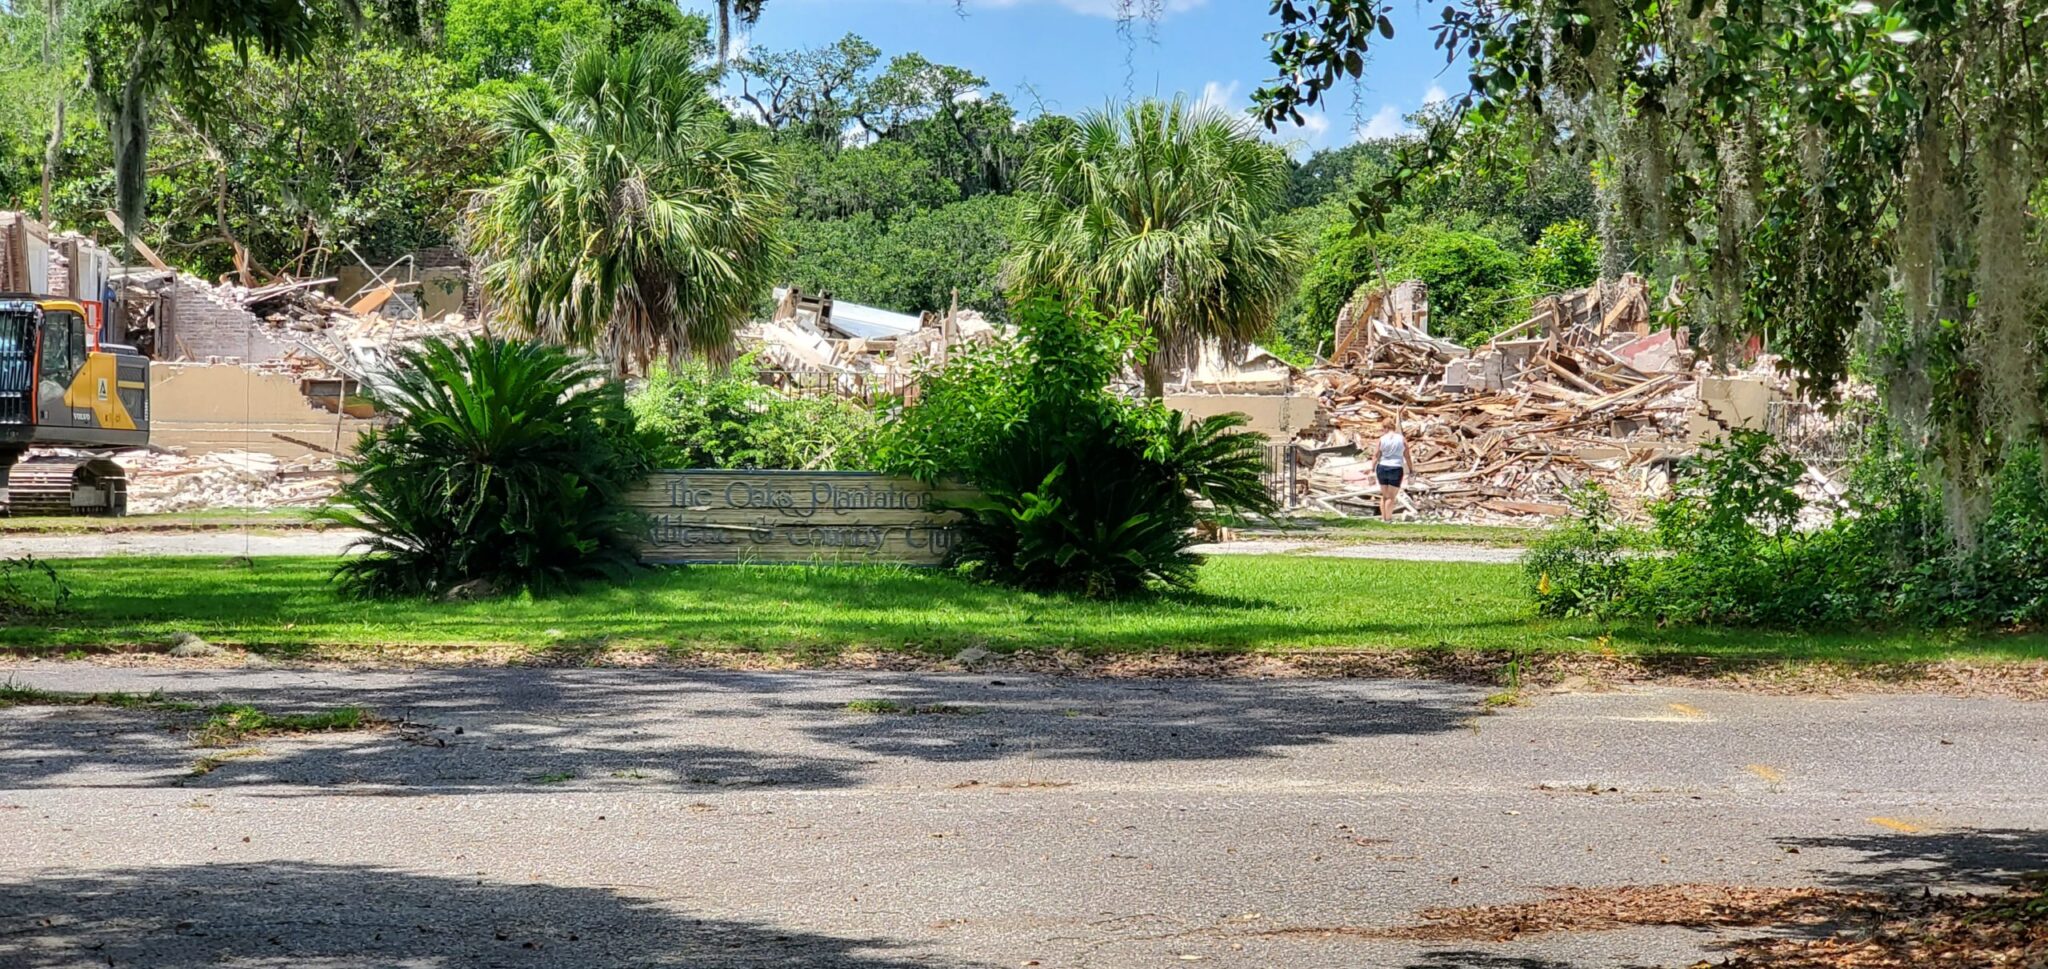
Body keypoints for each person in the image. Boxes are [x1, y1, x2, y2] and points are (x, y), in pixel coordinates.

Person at [1374, 418, 1408, 522]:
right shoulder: (1402, 439)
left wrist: (1372, 467)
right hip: (1396, 467)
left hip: (1382, 467)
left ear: (1386, 427)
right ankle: (1388, 519)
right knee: (1391, 496)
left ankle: (1383, 518)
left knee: (1384, 495)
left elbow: (1376, 455)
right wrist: (1411, 469)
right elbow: (1407, 455)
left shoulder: (1381, 439)